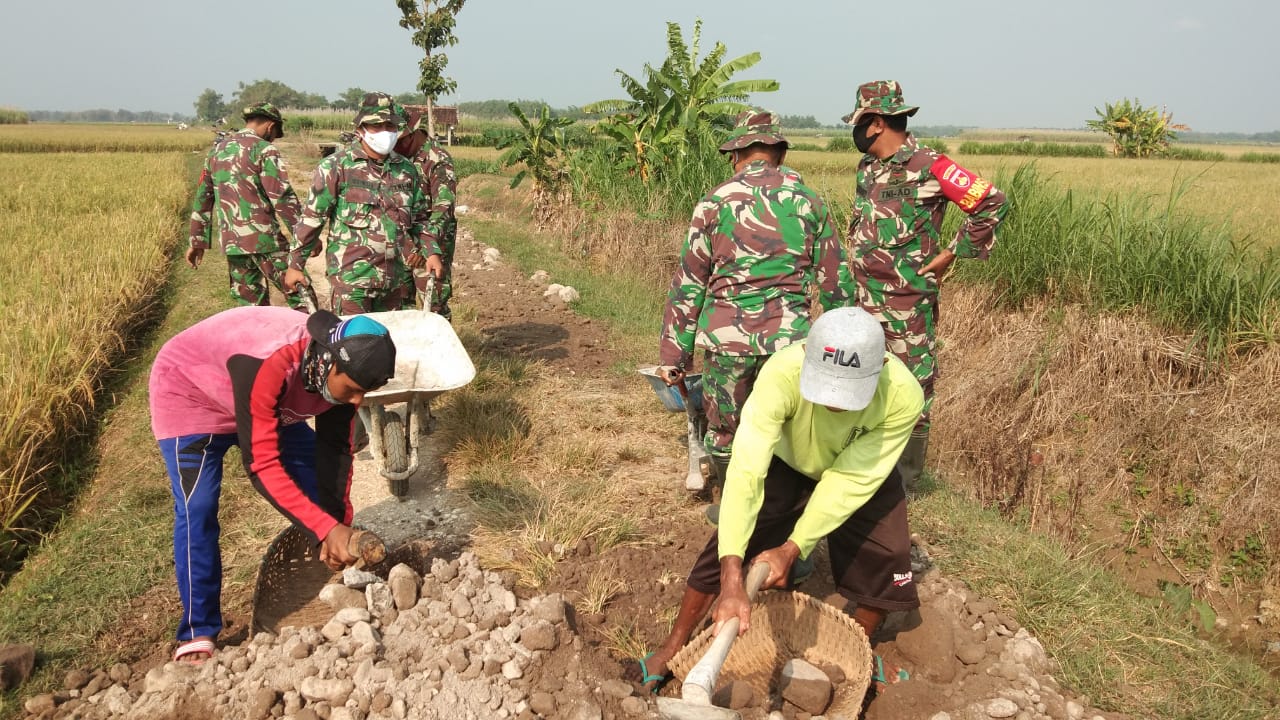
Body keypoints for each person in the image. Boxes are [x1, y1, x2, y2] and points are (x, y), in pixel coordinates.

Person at [630, 306, 924, 690]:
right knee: (729, 544)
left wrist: (794, 547)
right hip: (789, 458)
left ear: (881, 366)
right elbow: (747, 470)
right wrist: (733, 572)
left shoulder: (903, 395)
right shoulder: (781, 372)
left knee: (890, 555)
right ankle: (673, 645)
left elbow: (850, 480)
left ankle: (859, 653)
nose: (834, 403)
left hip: (857, 471)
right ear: (806, 356)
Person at [149, 305, 397, 664]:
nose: (358, 400)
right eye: (355, 390)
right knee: (197, 508)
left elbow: (336, 453)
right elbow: (261, 465)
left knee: (316, 480)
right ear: (329, 364)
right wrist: (325, 528)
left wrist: (335, 525)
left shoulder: (338, 377)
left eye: (366, 392)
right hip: (191, 397)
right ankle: (197, 630)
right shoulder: (270, 362)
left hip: (266, 405)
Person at [657, 109, 855, 519]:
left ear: (737, 154)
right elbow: (836, 285)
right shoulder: (810, 202)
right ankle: (781, 526)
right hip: (791, 346)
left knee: (727, 432)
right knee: (788, 434)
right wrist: (844, 353)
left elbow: (689, 285)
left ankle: (736, 517)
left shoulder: (713, 204)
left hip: (728, 346)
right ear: (779, 153)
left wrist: (675, 359)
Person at [843, 80, 1008, 492]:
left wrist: (953, 251)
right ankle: (865, 466)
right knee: (863, 381)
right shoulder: (868, 170)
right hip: (863, 301)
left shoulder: (931, 165)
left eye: (860, 122)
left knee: (914, 388)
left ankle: (907, 481)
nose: (857, 132)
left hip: (908, 304)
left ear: (876, 122)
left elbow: (992, 201)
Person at [282, 91, 442, 313]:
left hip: (392, 282)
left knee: (387, 343)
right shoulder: (336, 167)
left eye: (391, 126)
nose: (385, 132)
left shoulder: (406, 171)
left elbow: (420, 219)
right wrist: (295, 265)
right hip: (351, 281)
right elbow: (312, 219)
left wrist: (431, 252)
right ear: (360, 130)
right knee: (354, 344)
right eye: (377, 126)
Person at [187, 102, 310, 309]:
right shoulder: (264, 150)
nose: (274, 139)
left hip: (233, 243)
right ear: (271, 126)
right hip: (265, 241)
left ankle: (257, 341)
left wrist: (196, 241)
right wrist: (305, 238)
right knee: (300, 294)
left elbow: (203, 198)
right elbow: (283, 199)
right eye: (275, 134)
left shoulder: (217, 150)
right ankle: (313, 340)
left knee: (250, 306)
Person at [394, 107, 459, 319]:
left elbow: (444, 205)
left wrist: (426, 245)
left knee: (434, 306)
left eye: (398, 141)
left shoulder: (437, 159)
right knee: (398, 304)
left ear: (411, 135)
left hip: (432, 243)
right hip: (402, 242)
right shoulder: (394, 161)